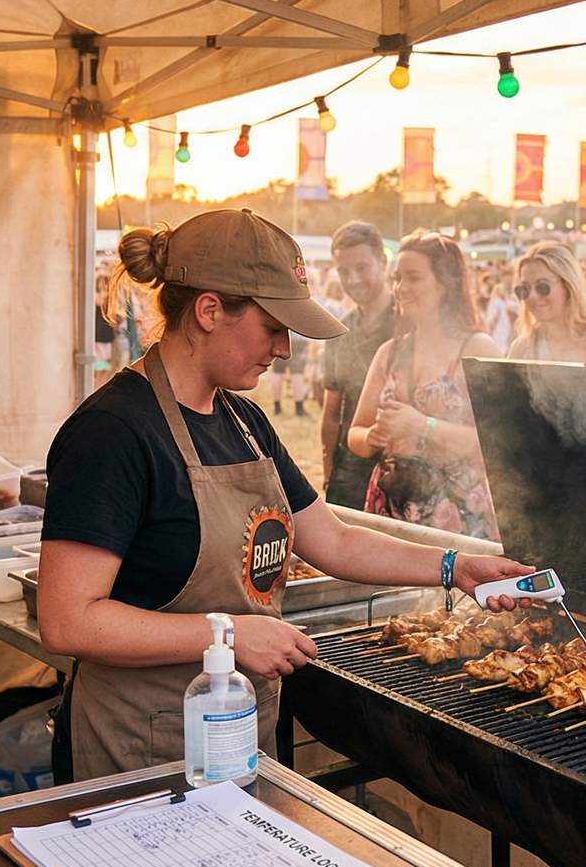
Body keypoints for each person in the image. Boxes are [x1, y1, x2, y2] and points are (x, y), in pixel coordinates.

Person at [37, 210, 531, 782]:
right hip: (137, 749)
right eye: (274, 328)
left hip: (236, 732)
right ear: (209, 311)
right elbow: (68, 621)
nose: (286, 350)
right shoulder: (114, 433)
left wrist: (455, 566)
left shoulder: (243, 420)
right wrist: (228, 633)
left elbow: (334, 542)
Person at [350, 233, 505, 541]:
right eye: (397, 278)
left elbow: (499, 444)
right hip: (392, 508)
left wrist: (423, 425)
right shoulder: (389, 353)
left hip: (456, 514)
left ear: (446, 283)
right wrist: (372, 436)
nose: (400, 288)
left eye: (413, 278)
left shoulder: (477, 349)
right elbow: (356, 434)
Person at [318, 222, 395, 510]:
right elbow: (331, 413)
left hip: (396, 473)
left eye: (362, 268)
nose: (353, 279)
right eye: (343, 271)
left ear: (383, 263)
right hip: (349, 472)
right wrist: (329, 474)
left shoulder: (410, 325)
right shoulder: (339, 331)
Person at [507, 240, 586, 363]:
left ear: (568, 285)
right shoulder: (521, 350)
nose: (532, 297)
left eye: (542, 287)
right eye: (524, 289)